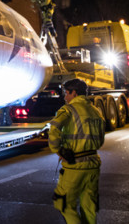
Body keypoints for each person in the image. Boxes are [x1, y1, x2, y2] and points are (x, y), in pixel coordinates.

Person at [48, 78, 105, 224]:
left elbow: (54, 128)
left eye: (67, 93)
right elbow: (101, 139)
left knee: (64, 204)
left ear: (74, 93)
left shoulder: (68, 109)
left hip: (75, 165)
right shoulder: (96, 111)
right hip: (93, 164)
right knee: (89, 207)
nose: (65, 97)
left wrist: (58, 150)